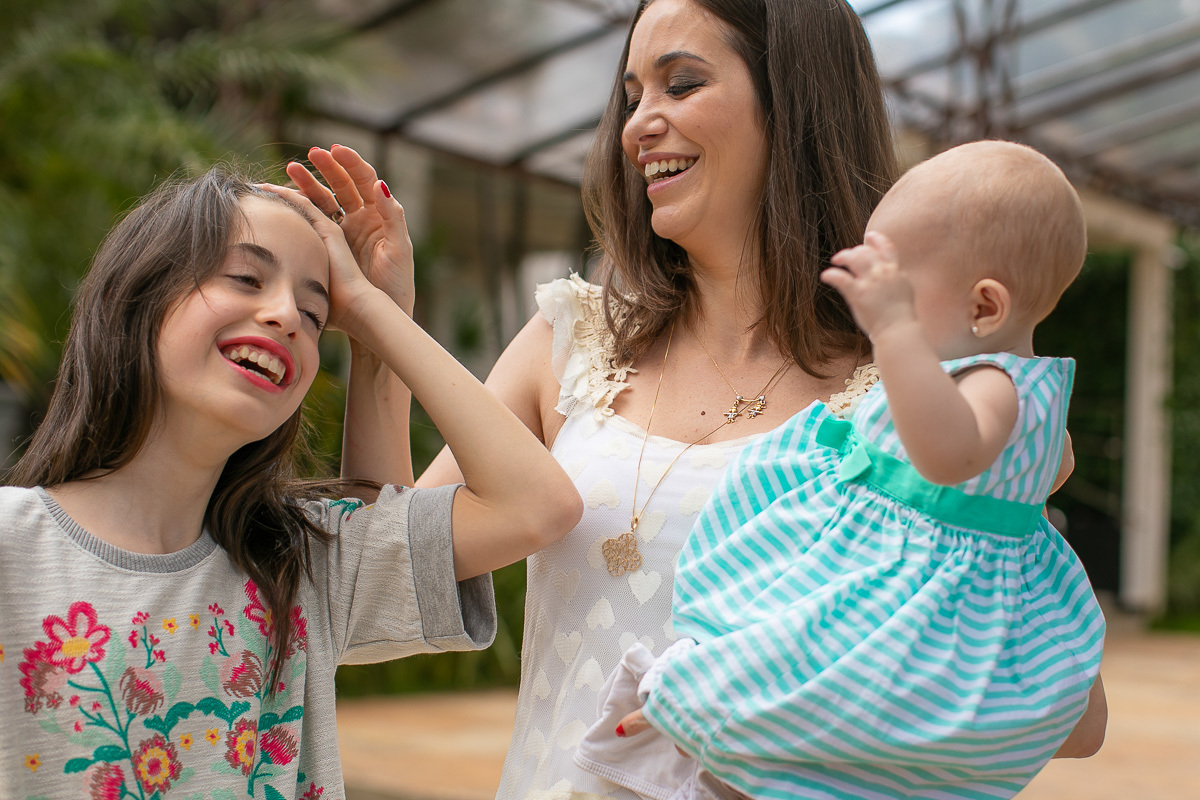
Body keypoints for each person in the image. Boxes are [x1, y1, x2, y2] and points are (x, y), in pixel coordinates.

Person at [312, 2, 1105, 797]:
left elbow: (1052, 706)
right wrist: (378, 339)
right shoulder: (569, 342)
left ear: (796, 104)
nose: (638, 127)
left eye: (681, 84)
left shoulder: (921, 402)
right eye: (631, 97)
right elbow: (378, 584)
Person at [0, 167, 581, 798]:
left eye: (314, 311)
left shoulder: (299, 565)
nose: (284, 316)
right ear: (139, 295)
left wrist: (373, 312)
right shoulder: (13, 548)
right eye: (245, 278)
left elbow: (536, 506)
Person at [575, 141, 1107, 800]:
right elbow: (1039, 470)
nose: (874, 308)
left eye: (897, 288)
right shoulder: (1006, 387)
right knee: (786, 671)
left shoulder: (995, 385)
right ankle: (707, 743)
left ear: (984, 309)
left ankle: (706, 738)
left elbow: (947, 456)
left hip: (911, 593)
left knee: (812, 687)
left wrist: (895, 334)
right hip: (886, 555)